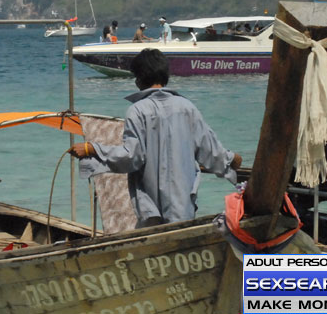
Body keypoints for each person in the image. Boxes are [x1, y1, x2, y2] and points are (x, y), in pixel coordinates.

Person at [69, 49, 242, 228]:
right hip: (183, 207)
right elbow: (210, 150)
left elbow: (132, 157)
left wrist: (93, 150)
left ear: (139, 79)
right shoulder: (187, 107)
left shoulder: (138, 111)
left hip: (151, 208)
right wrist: (230, 160)